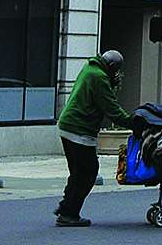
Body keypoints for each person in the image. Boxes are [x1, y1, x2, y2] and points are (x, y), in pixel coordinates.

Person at [54, 50, 132, 227]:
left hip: (68, 125)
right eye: (117, 70)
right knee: (88, 172)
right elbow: (111, 109)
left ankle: (66, 207)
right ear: (111, 67)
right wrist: (134, 123)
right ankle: (69, 213)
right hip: (80, 130)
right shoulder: (99, 78)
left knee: (77, 172)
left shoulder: (90, 68)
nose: (118, 74)